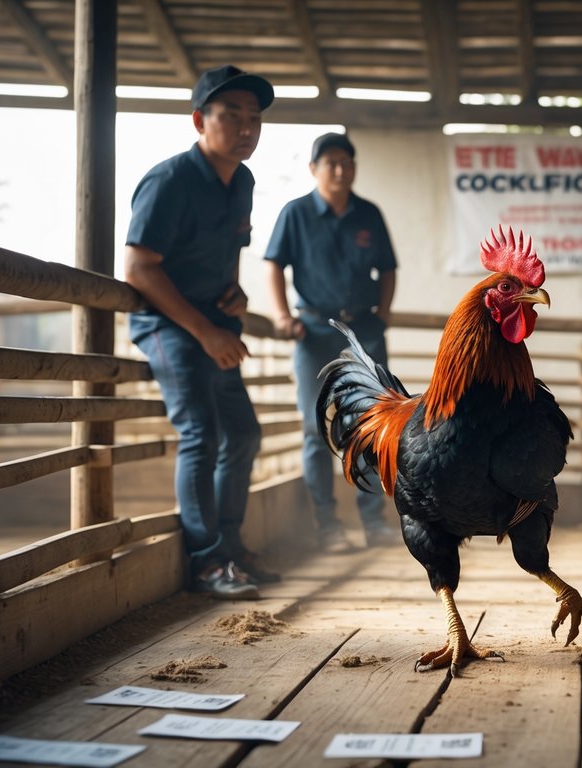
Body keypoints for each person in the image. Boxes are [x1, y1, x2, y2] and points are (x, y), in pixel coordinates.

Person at [124, 65, 277, 599]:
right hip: (167, 323)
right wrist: (206, 332)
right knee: (201, 434)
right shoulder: (170, 180)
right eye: (231, 115)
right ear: (198, 120)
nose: (245, 128)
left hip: (214, 323)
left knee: (244, 434)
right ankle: (207, 562)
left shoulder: (245, 182)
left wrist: (234, 295)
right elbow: (140, 268)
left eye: (254, 118)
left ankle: (230, 548)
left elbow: (232, 250)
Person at [265, 133, 398, 552]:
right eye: (331, 163)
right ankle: (328, 526)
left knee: (373, 424)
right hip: (313, 333)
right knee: (312, 428)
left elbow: (388, 268)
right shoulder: (296, 213)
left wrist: (384, 310)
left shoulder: (369, 214)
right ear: (313, 170)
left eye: (347, 163)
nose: (340, 171)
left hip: (364, 333)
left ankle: (374, 522)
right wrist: (283, 315)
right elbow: (274, 265)